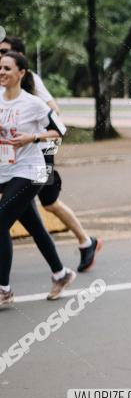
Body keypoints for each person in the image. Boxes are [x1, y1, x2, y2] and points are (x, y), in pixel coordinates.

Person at [1, 37, 102, 272]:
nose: (0, 56)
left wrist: (36, 140)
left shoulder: (31, 81)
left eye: (4, 52)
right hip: (13, 159)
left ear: (19, 62)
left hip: (37, 154)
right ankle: (61, 269)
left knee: (49, 202)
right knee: (32, 215)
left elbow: (53, 113)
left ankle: (86, 241)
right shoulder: (4, 82)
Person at [0, 50, 76, 308]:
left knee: (1, 223)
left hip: (31, 172)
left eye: (8, 68)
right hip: (5, 172)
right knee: (34, 226)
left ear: (21, 73)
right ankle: (61, 273)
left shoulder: (32, 103)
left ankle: (4, 289)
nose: (2, 72)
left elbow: (60, 131)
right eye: (0, 67)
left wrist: (32, 138)